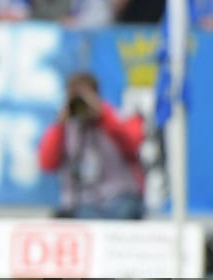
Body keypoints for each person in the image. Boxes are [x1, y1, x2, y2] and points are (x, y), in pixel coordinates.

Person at [39, 71, 145, 220]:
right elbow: (47, 164)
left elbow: (132, 144)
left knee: (124, 211)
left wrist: (102, 114)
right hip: (80, 201)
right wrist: (60, 124)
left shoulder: (117, 118)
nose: (80, 105)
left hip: (119, 198)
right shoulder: (65, 128)